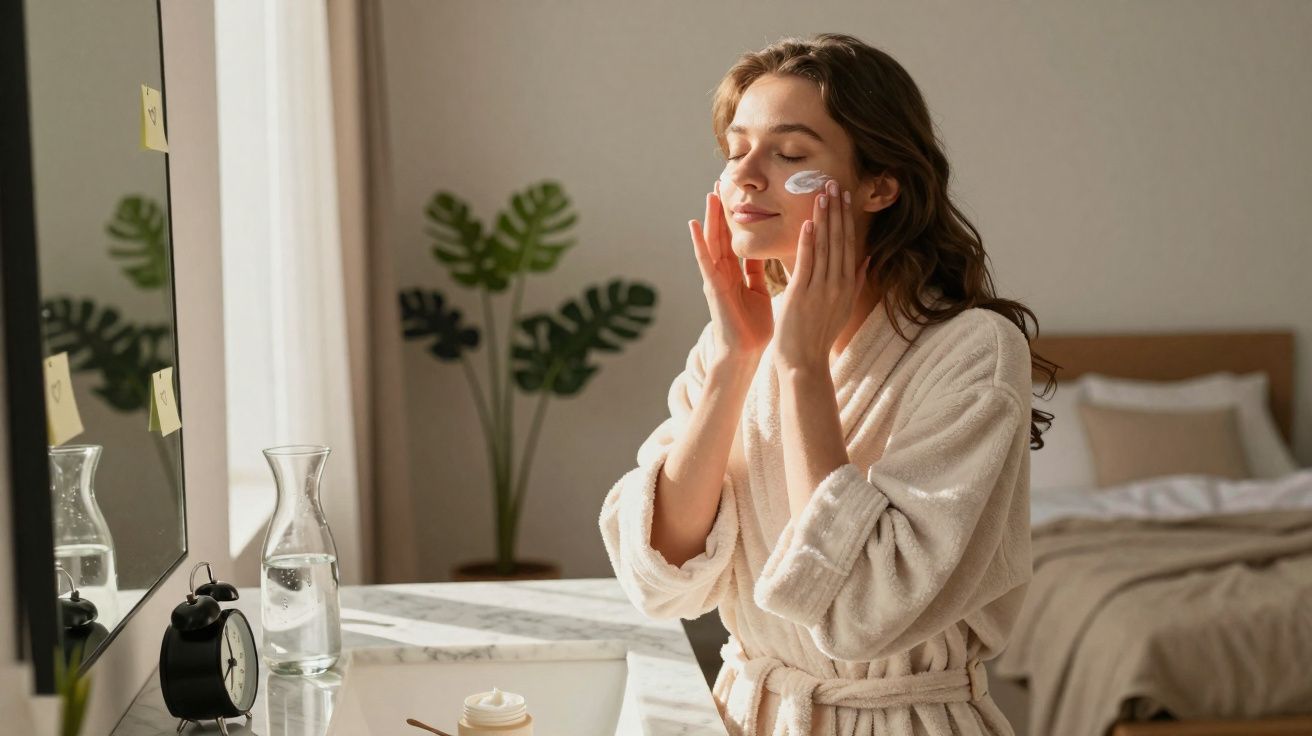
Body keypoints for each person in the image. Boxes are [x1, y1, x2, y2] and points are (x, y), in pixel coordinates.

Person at [599, 32, 1057, 736]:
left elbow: (866, 609)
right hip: (745, 713)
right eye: (736, 149)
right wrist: (732, 361)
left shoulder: (972, 350)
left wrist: (802, 367)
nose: (747, 175)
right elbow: (661, 577)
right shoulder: (735, 344)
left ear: (880, 184)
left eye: (789, 155)